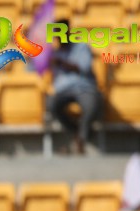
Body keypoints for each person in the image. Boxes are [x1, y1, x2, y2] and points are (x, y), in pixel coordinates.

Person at [47, 19, 102, 156]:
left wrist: (62, 63)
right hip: (63, 90)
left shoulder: (81, 47)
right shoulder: (54, 53)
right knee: (51, 104)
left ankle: (80, 139)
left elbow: (84, 67)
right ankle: (77, 135)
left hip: (84, 87)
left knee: (91, 106)